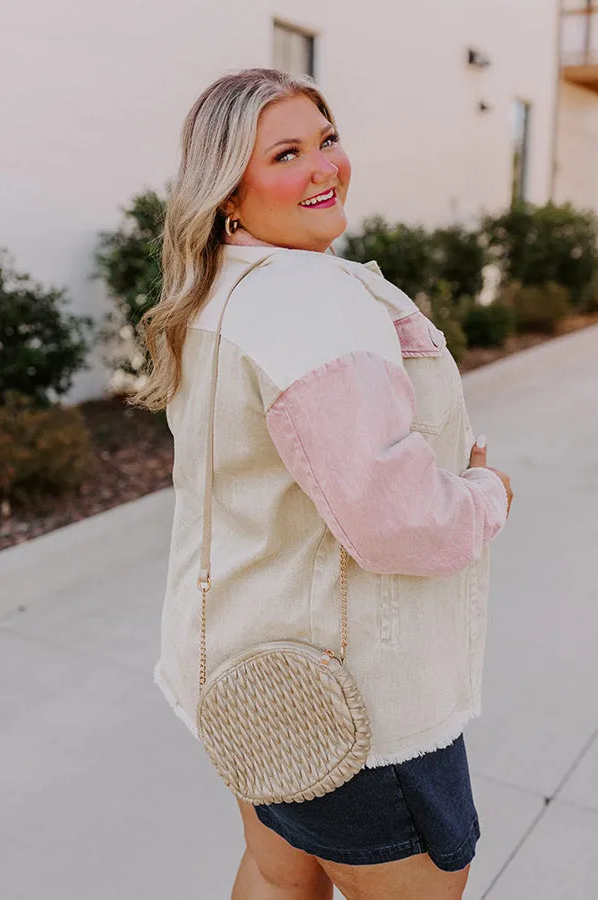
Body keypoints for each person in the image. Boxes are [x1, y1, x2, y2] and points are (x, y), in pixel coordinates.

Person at [132, 68, 513, 900]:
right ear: (230, 188)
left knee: (279, 873)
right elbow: (394, 518)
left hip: (243, 673)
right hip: (346, 699)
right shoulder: (310, 304)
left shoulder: (216, 288)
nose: (323, 168)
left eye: (328, 139)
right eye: (287, 153)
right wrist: (487, 499)